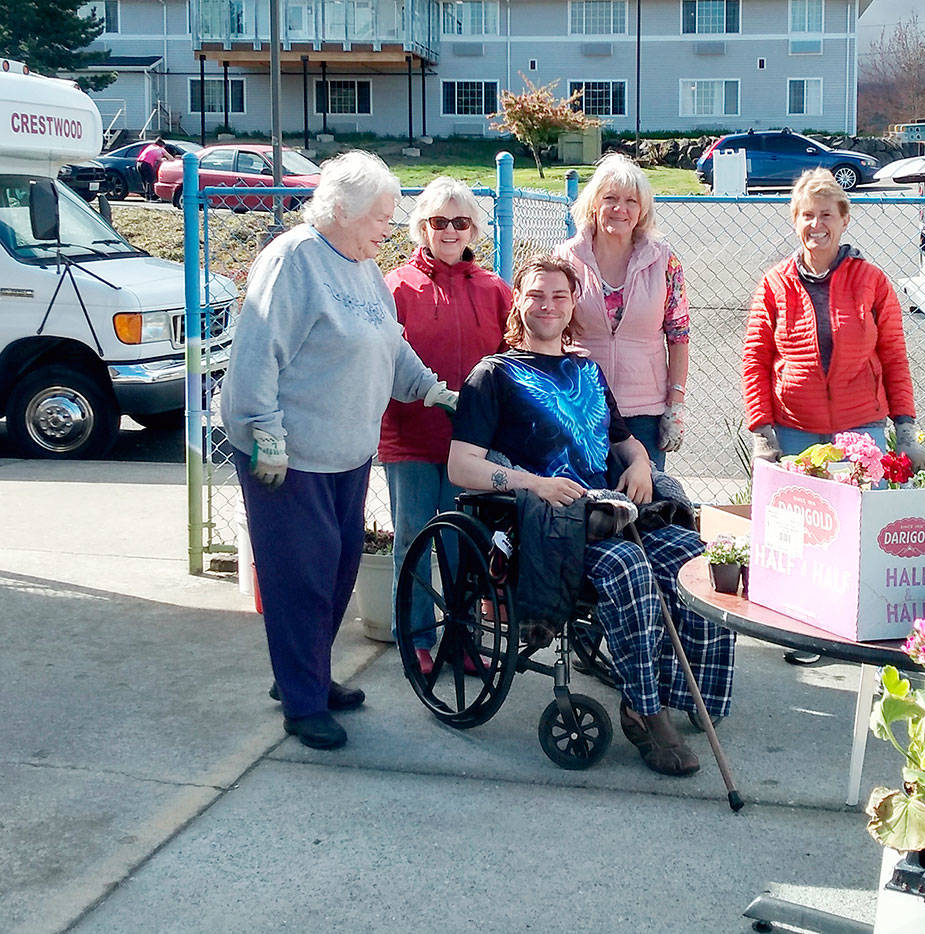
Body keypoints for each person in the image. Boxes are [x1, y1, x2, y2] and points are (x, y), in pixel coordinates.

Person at [448, 254, 735, 777]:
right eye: (537, 294)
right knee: (628, 566)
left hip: (609, 511)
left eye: (559, 295)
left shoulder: (586, 368)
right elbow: (461, 466)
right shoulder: (492, 375)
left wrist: (643, 465)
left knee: (690, 556)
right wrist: (534, 482)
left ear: (573, 303)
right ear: (519, 301)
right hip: (546, 523)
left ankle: (683, 687)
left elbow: (621, 440)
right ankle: (646, 711)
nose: (548, 305)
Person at [222, 151, 458, 751]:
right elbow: (256, 355)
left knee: (336, 570)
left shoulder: (362, 266)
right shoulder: (294, 260)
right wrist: (264, 437)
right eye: (380, 216)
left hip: (349, 455)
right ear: (342, 210)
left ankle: (308, 675)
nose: (388, 226)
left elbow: (390, 343)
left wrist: (432, 390)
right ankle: (302, 704)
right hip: (290, 459)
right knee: (300, 578)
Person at [742, 167, 925, 664]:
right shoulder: (775, 284)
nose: (816, 225)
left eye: (827, 214)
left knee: (855, 536)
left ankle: (853, 627)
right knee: (801, 537)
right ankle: (802, 632)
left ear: (844, 220)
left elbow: (893, 355)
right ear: (795, 222)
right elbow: (757, 359)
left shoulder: (872, 282)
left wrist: (905, 429)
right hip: (794, 428)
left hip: (859, 428)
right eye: (807, 215)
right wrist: (763, 432)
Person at [379, 177, 511, 676]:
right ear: (422, 228)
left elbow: (512, 360)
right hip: (410, 439)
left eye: (460, 222)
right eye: (439, 222)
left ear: (474, 228)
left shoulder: (495, 290)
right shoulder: (395, 288)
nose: (450, 231)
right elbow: (385, 362)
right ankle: (414, 637)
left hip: (471, 445)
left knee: (464, 542)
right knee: (414, 537)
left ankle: (463, 638)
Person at [555, 153, 689, 470]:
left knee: (644, 509)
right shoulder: (565, 259)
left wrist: (676, 404)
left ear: (641, 210)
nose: (620, 209)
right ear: (593, 205)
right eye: (610, 199)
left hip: (646, 411)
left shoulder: (663, 261)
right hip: (583, 405)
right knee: (587, 508)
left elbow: (679, 335)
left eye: (631, 201)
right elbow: (550, 330)